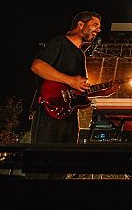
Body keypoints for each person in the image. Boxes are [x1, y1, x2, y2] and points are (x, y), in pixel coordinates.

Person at [30, 11, 117, 150]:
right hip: (48, 111)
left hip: (69, 115)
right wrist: (70, 80)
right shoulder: (59, 42)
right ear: (81, 25)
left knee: (66, 159)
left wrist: (102, 93)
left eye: (99, 27)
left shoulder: (81, 55)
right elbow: (37, 66)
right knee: (43, 157)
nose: (99, 29)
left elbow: (77, 91)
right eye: (95, 24)